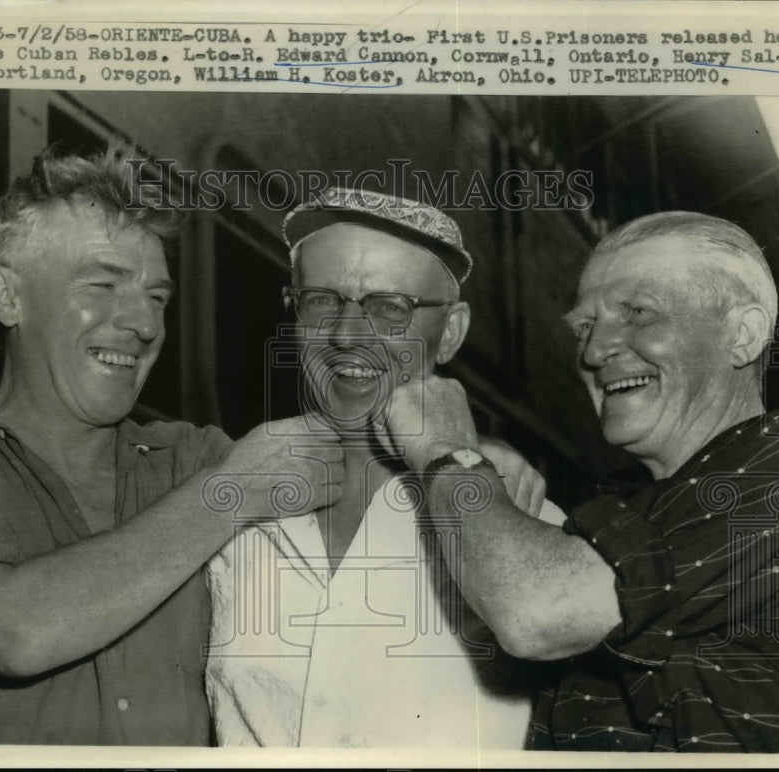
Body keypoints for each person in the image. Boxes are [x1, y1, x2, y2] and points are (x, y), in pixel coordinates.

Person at [0, 148, 343, 744]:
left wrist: (464, 463)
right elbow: (14, 631)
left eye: (158, 298)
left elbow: (365, 479)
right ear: (6, 297)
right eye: (102, 283)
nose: (144, 324)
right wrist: (231, 493)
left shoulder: (191, 458)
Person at [376, 211, 779, 752]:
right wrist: (486, 475)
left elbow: (537, 612)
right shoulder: (631, 512)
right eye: (585, 326)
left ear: (742, 335)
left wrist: (446, 451)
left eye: (637, 312)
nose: (592, 351)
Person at [204, 187, 561, 749]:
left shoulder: (523, 521)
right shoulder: (227, 509)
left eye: (389, 307)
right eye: (322, 300)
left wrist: (461, 457)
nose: (348, 336)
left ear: (452, 332)